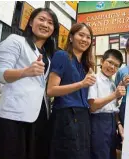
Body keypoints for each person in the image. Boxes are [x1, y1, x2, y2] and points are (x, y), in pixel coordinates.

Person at [0, 8, 59, 159]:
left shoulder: (47, 55)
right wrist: (25, 72)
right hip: (12, 115)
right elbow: (0, 74)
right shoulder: (15, 40)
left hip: (38, 116)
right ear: (30, 22)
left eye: (50, 22)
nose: (45, 25)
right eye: (41, 19)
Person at [47, 23, 96, 159]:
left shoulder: (86, 65)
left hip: (83, 117)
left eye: (88, 37)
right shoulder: (62, 56)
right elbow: (51, 90)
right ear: (71, 37)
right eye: (81, 35)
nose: (85, 40)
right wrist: (81, 84)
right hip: (66, 116)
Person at [88, 49, 125, 159]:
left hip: (111, 122)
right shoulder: (94, 78)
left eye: (116, 65)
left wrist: (118, 125)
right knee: (100, 154)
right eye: (109, 62)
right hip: (98, 121)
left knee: (110, 154)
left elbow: (113, 107)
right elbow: (93, 106)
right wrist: (114, 95)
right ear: (101, 61)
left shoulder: (112, 83)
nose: (112, 67)